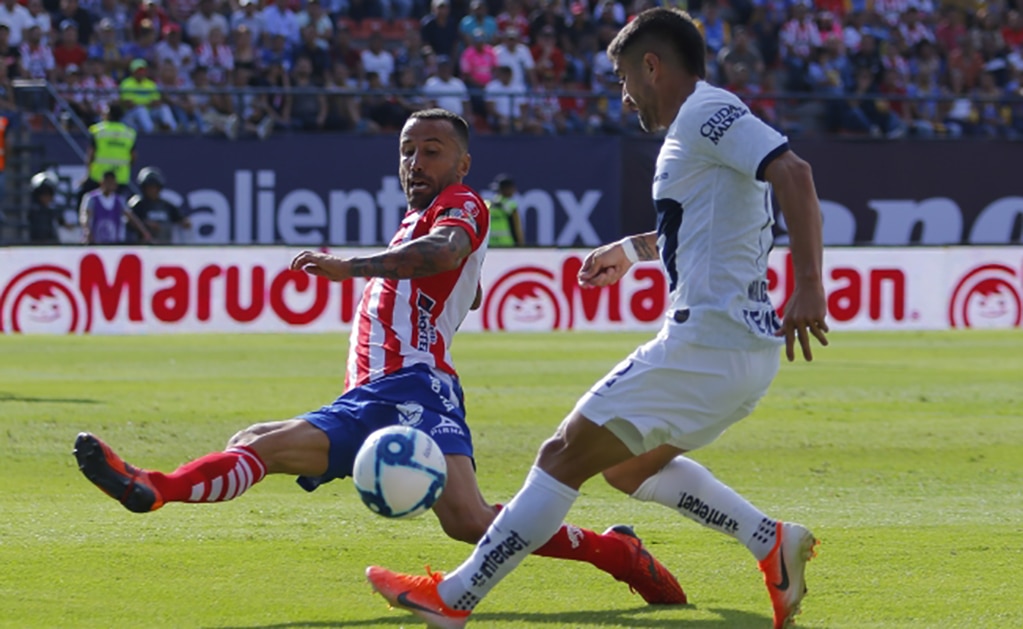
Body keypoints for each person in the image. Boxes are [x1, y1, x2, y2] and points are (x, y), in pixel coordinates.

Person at [72, 108, 686, 607]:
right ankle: (614, 552)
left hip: (412, 387)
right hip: (370, 393)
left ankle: (155, 488)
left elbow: (445, 254)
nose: (416, 162)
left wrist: (351, 267)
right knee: (455, 516)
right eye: (408, 151)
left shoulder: (464, 206)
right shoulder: (412, 222)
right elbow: (451, 281)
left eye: (432, 150)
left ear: (462, 163)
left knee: (461, 518)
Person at [367, 9, 830, 629]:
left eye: (623, 77)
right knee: (626, 466)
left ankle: (455, 597)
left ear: (652, 65)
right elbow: (699, 226)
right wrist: (631, 250)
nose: (623, 93)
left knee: (561, 453)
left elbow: (794, 174)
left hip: (708, 342)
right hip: (736, 352)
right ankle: (769, 540)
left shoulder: (705, 112)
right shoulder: (695, 133)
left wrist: (810, 286)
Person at [81, 102, 136, 202]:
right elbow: (133, 157)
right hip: (121, 178)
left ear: (108, 114)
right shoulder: (129, 133)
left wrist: (87, 175)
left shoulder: (97, 130)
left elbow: (91, 155)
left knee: (86, 201)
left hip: (98, 177)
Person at [80, 170, 151, 244]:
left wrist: (144, 232)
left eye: (112, 182)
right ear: (101, 182)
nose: (110, 184)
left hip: (114, 243)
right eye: (107, 182)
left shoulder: (119, 200)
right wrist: (87, 230)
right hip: (95, 241)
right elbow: (85, 215)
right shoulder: (91, 198)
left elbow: (131, 217)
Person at [127, 166, 191, 244]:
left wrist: (184, 222)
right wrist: (146, 224)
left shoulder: (167, 206)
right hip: (145, 247)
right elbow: (129, 222)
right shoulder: (138, 205)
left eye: (155, 187)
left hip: (165, 246)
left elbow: (182, 219)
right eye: (149, 187)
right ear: (143, 188)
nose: (152, 190)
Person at [27, 170, 67, 244]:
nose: (46, 198)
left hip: (53, 242)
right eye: (43, 194)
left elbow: (62, 224)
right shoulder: (34, 211)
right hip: (36, 243)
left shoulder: (55, 210)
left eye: (48, 195)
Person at [485, 174, 522, 246]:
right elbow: (518, 230)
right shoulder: (511, 206)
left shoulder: (487, 205)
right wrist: (521, 246)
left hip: (490, 246)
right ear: (506, 189)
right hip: (507, 246)